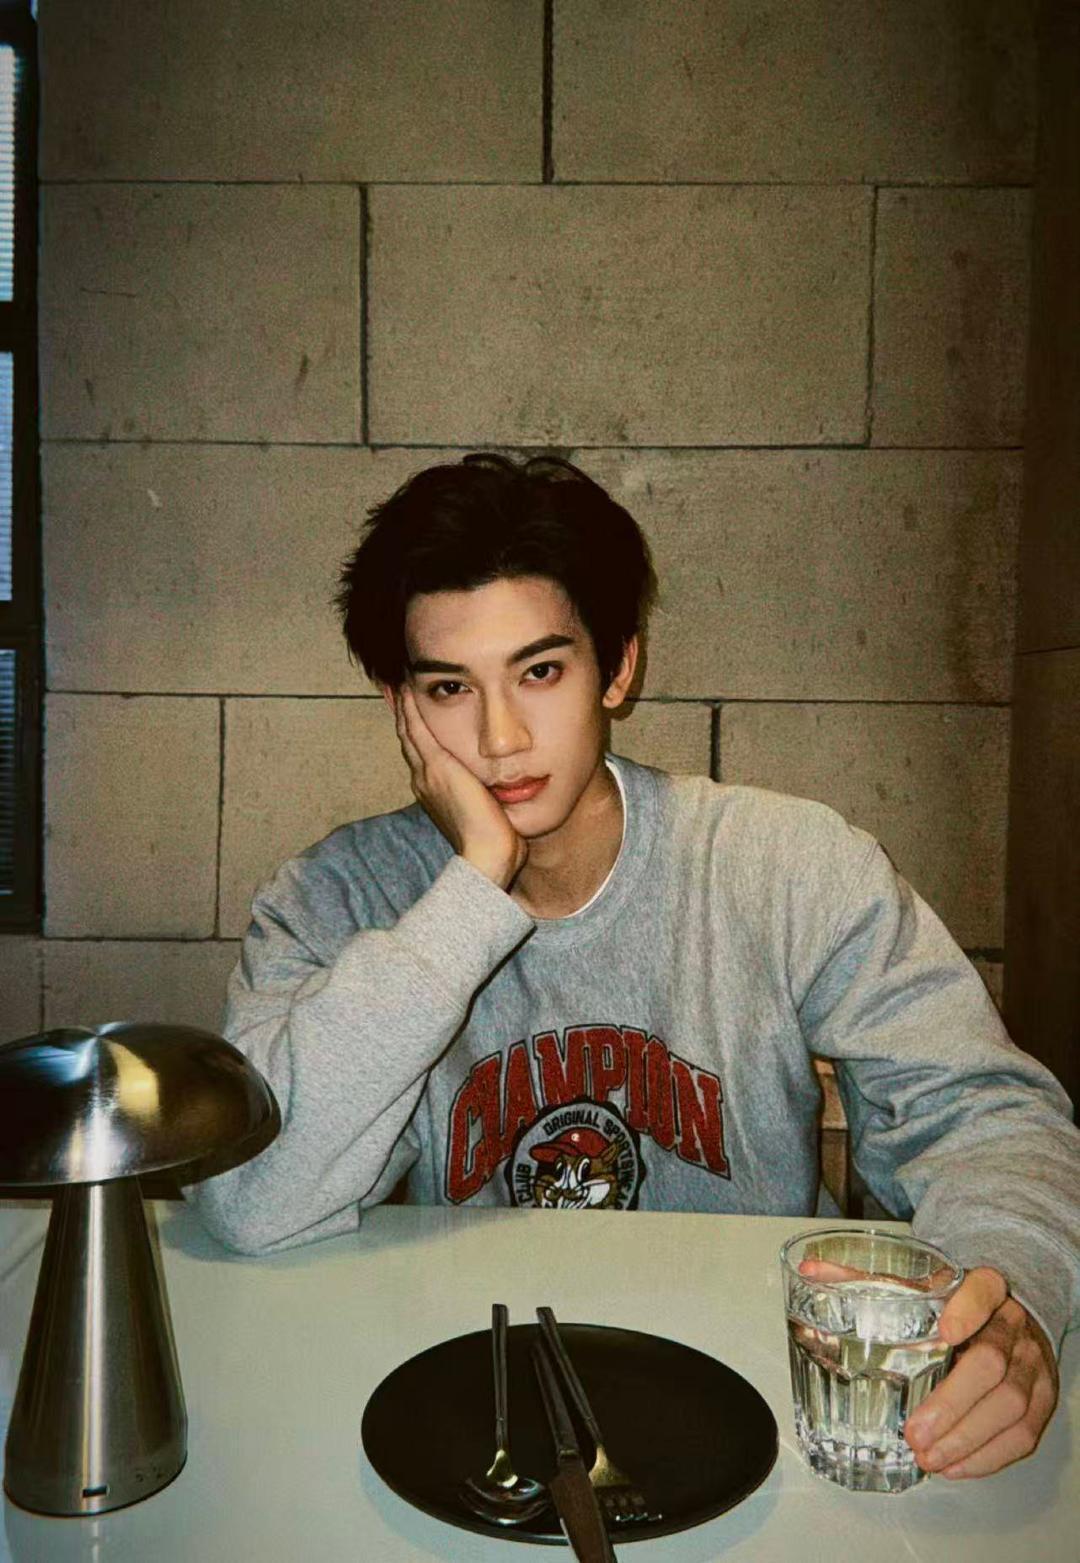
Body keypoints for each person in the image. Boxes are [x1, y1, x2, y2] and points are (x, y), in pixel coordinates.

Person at [191, 452, 1079, 1481]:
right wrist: (472, 890)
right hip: (467, 1407)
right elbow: (249, 1201)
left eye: (541, 671)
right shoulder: (337, 897)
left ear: (617, 669)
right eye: (449, 688)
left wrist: (1012, 1293)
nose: (499, 738)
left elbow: (986, 1114)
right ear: (402, 707)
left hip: (762, 1412)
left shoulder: (784, 863)